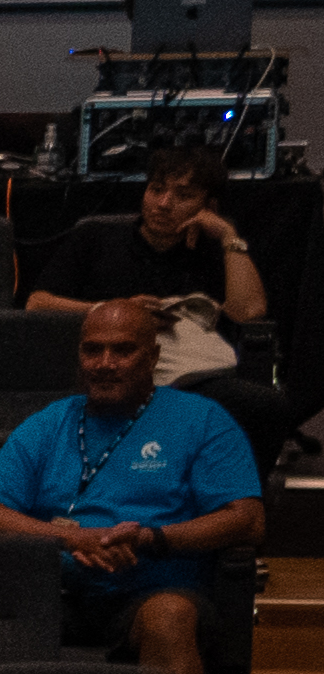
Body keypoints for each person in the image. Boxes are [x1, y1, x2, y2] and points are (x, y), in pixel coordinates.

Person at [0, 301, 265, 674]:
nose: (105, 364)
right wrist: (74, 540)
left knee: (169, 618)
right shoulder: (48, 423)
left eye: (122, 351)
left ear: (154, 356)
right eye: (93, 350)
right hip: (52, 588)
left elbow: (247, 519)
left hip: (151, 589)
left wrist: (150, 538)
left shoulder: (199, 420)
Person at [24, 145, 289, 467]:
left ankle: (240, 504)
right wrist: (119, 312)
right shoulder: (96, 238)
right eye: (156, 190)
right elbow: (37, 304)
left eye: (184, 195)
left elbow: (248, 311)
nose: (164, 204)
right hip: (107, 370)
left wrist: (229, 235)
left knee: (267, 407)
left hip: (191, 375)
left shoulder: (213, 250)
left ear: (208, 206)